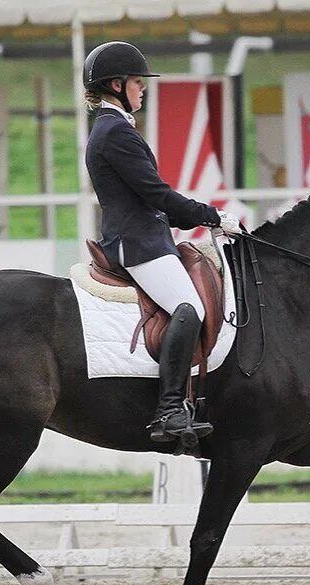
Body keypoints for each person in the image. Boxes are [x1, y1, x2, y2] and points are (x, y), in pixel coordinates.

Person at [83, 41, 242, 445]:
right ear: (116, 85)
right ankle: (169, 409)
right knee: (187, 308)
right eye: (138, 83)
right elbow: (156, 194)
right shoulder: (115, 131)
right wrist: (212, 216)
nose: (143, 90)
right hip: (138, 244)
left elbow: (148, 200)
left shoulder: (114, 128)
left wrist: (200, 221)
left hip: (144, 235)